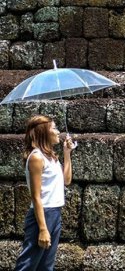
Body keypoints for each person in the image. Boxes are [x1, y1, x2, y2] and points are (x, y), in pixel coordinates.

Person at [14, 115, 75, 271]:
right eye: (54, 128)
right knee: (28, 264)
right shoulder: (36, 158)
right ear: (43, 133)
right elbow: (36, 196)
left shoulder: (51, 157)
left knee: (46, 266)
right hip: (42, 215)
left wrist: (67, 153)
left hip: (54, 213)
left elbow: (66, 181)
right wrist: (42, 228)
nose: (58, 132)